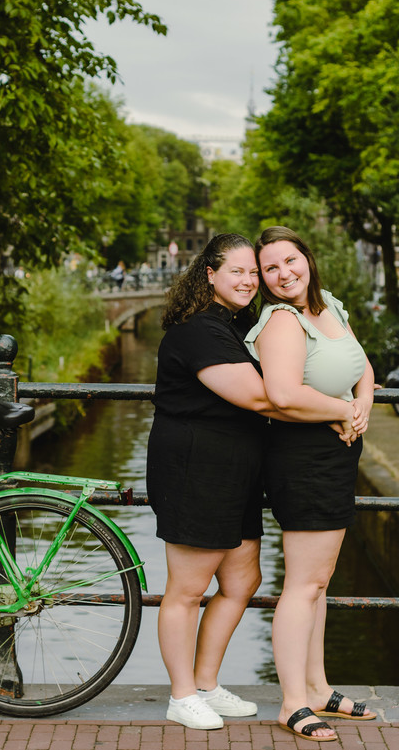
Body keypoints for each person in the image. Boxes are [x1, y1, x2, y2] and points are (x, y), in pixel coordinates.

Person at [145, 233, 292, 731]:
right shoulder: (198, 331)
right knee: (186, 589)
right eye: (238, 272)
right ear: (209, 274)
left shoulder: (235, 325)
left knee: (241, 580)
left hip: (236, 471)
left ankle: (205, 683)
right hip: (196, 468)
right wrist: (335, 406)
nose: (250, 281)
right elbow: (259, 396)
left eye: (254, 273)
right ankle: (181, 694)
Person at [245, 225, 378, 741]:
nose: (283, 274)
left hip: (336, 454)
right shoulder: (281, 322)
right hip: (303, 458)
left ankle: (320, 687)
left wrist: (361, 402)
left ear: (307, 258)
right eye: (270, 269)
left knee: (318, 583)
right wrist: (343, 408)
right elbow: (281, 394)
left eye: (290, 261)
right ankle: (294, 703)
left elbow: (362, 365)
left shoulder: (331, 307)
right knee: (301, 586)